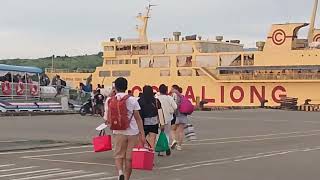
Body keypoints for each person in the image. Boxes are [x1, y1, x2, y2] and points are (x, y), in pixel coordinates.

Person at [104, 77, 145, 180]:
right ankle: (127, 178)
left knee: (118, 155)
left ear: (115, 87)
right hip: (132, 133)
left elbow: (107, 118)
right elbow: (138, 119)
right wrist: (142, 134)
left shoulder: (110, 100)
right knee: (129, 158)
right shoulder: (132, 100)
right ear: (126, 87)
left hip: (118, 131)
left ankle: (120, 172)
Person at [138, 85, 162, 151]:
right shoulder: (156, 100)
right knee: (152, 140)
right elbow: (159, 111)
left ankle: (142, 154)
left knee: (141, 140)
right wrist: (161, 122)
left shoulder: (140, 101)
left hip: (143, 122)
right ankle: (151, 155)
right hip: (154, 122)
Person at [156, 84, 177, 155]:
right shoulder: (169, 98)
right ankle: (167, 147)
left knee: (159, 133)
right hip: (168, 118)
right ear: (166, 90)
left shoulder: (157, 98)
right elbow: (175, 107)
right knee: (167, 133)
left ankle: (159, 150)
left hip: (159, 118)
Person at [170, 85, 187, 151]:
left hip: (177, 115)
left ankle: (174, 140)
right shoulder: (183, 96)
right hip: (184, 115)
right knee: (181, 131)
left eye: (172, 88)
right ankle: (179, 146)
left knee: (172, 129)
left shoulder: (175, 95)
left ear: (175, 89)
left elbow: (175, 106)